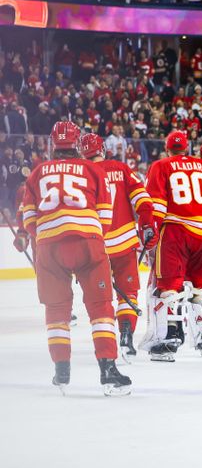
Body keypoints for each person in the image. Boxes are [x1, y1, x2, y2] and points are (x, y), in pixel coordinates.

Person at [20, 121, 131, 395]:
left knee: (56, 311)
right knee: (101, 308)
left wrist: (43, 236)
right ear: (76, 143)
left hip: (49, 248)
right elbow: (105, 211)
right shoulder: (93, 169)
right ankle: (107, 368)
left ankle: (61, 370)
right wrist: (93, 236)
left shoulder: (37, 172)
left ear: (54, 144)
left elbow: (29, 217)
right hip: (88, 243)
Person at [142, 131, 202, 361]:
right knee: (201, 286)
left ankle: (171, 337)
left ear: (168, 149)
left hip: (176, 231)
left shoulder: (161, 165)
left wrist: (150, 235)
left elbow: (155, 203)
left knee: (170, 286)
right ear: (188, 148)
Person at [79, 133, 155, 359]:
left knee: (100, 298)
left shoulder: (81, 172)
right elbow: (142, 198)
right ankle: (126, 338)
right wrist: (147, 224)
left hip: (94, 246)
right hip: (123, 242)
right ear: (102, 149)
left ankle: (105, 343)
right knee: (128, 292)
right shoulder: (120, 168)